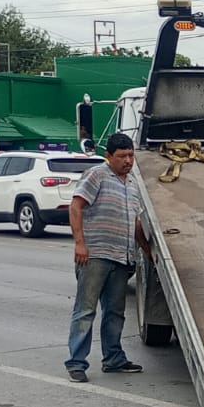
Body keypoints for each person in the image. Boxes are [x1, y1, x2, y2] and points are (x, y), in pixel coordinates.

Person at [65, 132, 151, 382]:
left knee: (115, 312)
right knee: (85, 310)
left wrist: (148, 252)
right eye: (122, 156)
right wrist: (80, 244)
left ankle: (113, 359)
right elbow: (76, 206)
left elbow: (136, 223)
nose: (128, 161)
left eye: (131, 155)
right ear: (109, 156)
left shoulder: (132, 184)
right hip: (95, 255)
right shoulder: (97, 175)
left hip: (122, 258)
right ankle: (76, 363)